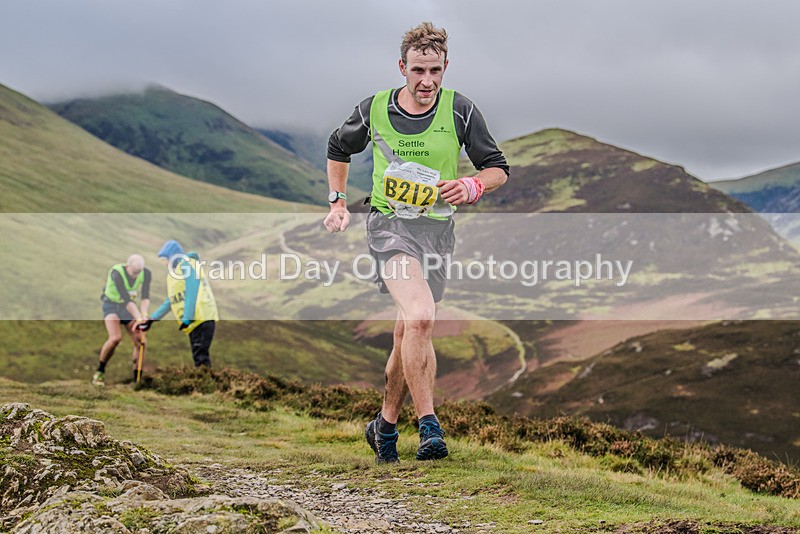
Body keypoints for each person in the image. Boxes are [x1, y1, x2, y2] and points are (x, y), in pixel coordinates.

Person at [324, 22, 509, 463]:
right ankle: (429, 428)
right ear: (402, 67)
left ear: (446, 68)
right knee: (422, 317)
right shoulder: (375, 109)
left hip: (438, 231)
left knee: (408, 332)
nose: (427, 81)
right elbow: (338, 146)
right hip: (389, 225)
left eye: (436, 71)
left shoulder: (460, 110)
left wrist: (472, 186)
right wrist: (337, 202)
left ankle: (384, 426)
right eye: (419, 70)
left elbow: (497, 167)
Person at [138, 240, 219, 368]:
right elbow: (172, 300)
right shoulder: (175, 274)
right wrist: (152, 319)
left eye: (165, 259)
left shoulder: (187, 266)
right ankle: (205, 386)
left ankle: (207, 386)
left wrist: (187, 318)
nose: (164, 263)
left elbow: (192, 289)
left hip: (201, 317)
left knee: (201, 358)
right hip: (194, 321)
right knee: (198, 357)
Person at [94, 254, 151, 385]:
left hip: (127, 309)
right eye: (134, 272)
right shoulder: (117, 273)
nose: (136, 276)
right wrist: (138, 318)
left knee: (141, 341)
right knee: (115, 338)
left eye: (138, 272)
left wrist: (144, 315)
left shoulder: (146, 273)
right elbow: (126, 300)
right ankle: (100, 372)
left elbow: (145, 297)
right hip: (112, 306)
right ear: (128, 266)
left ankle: (137, 378)